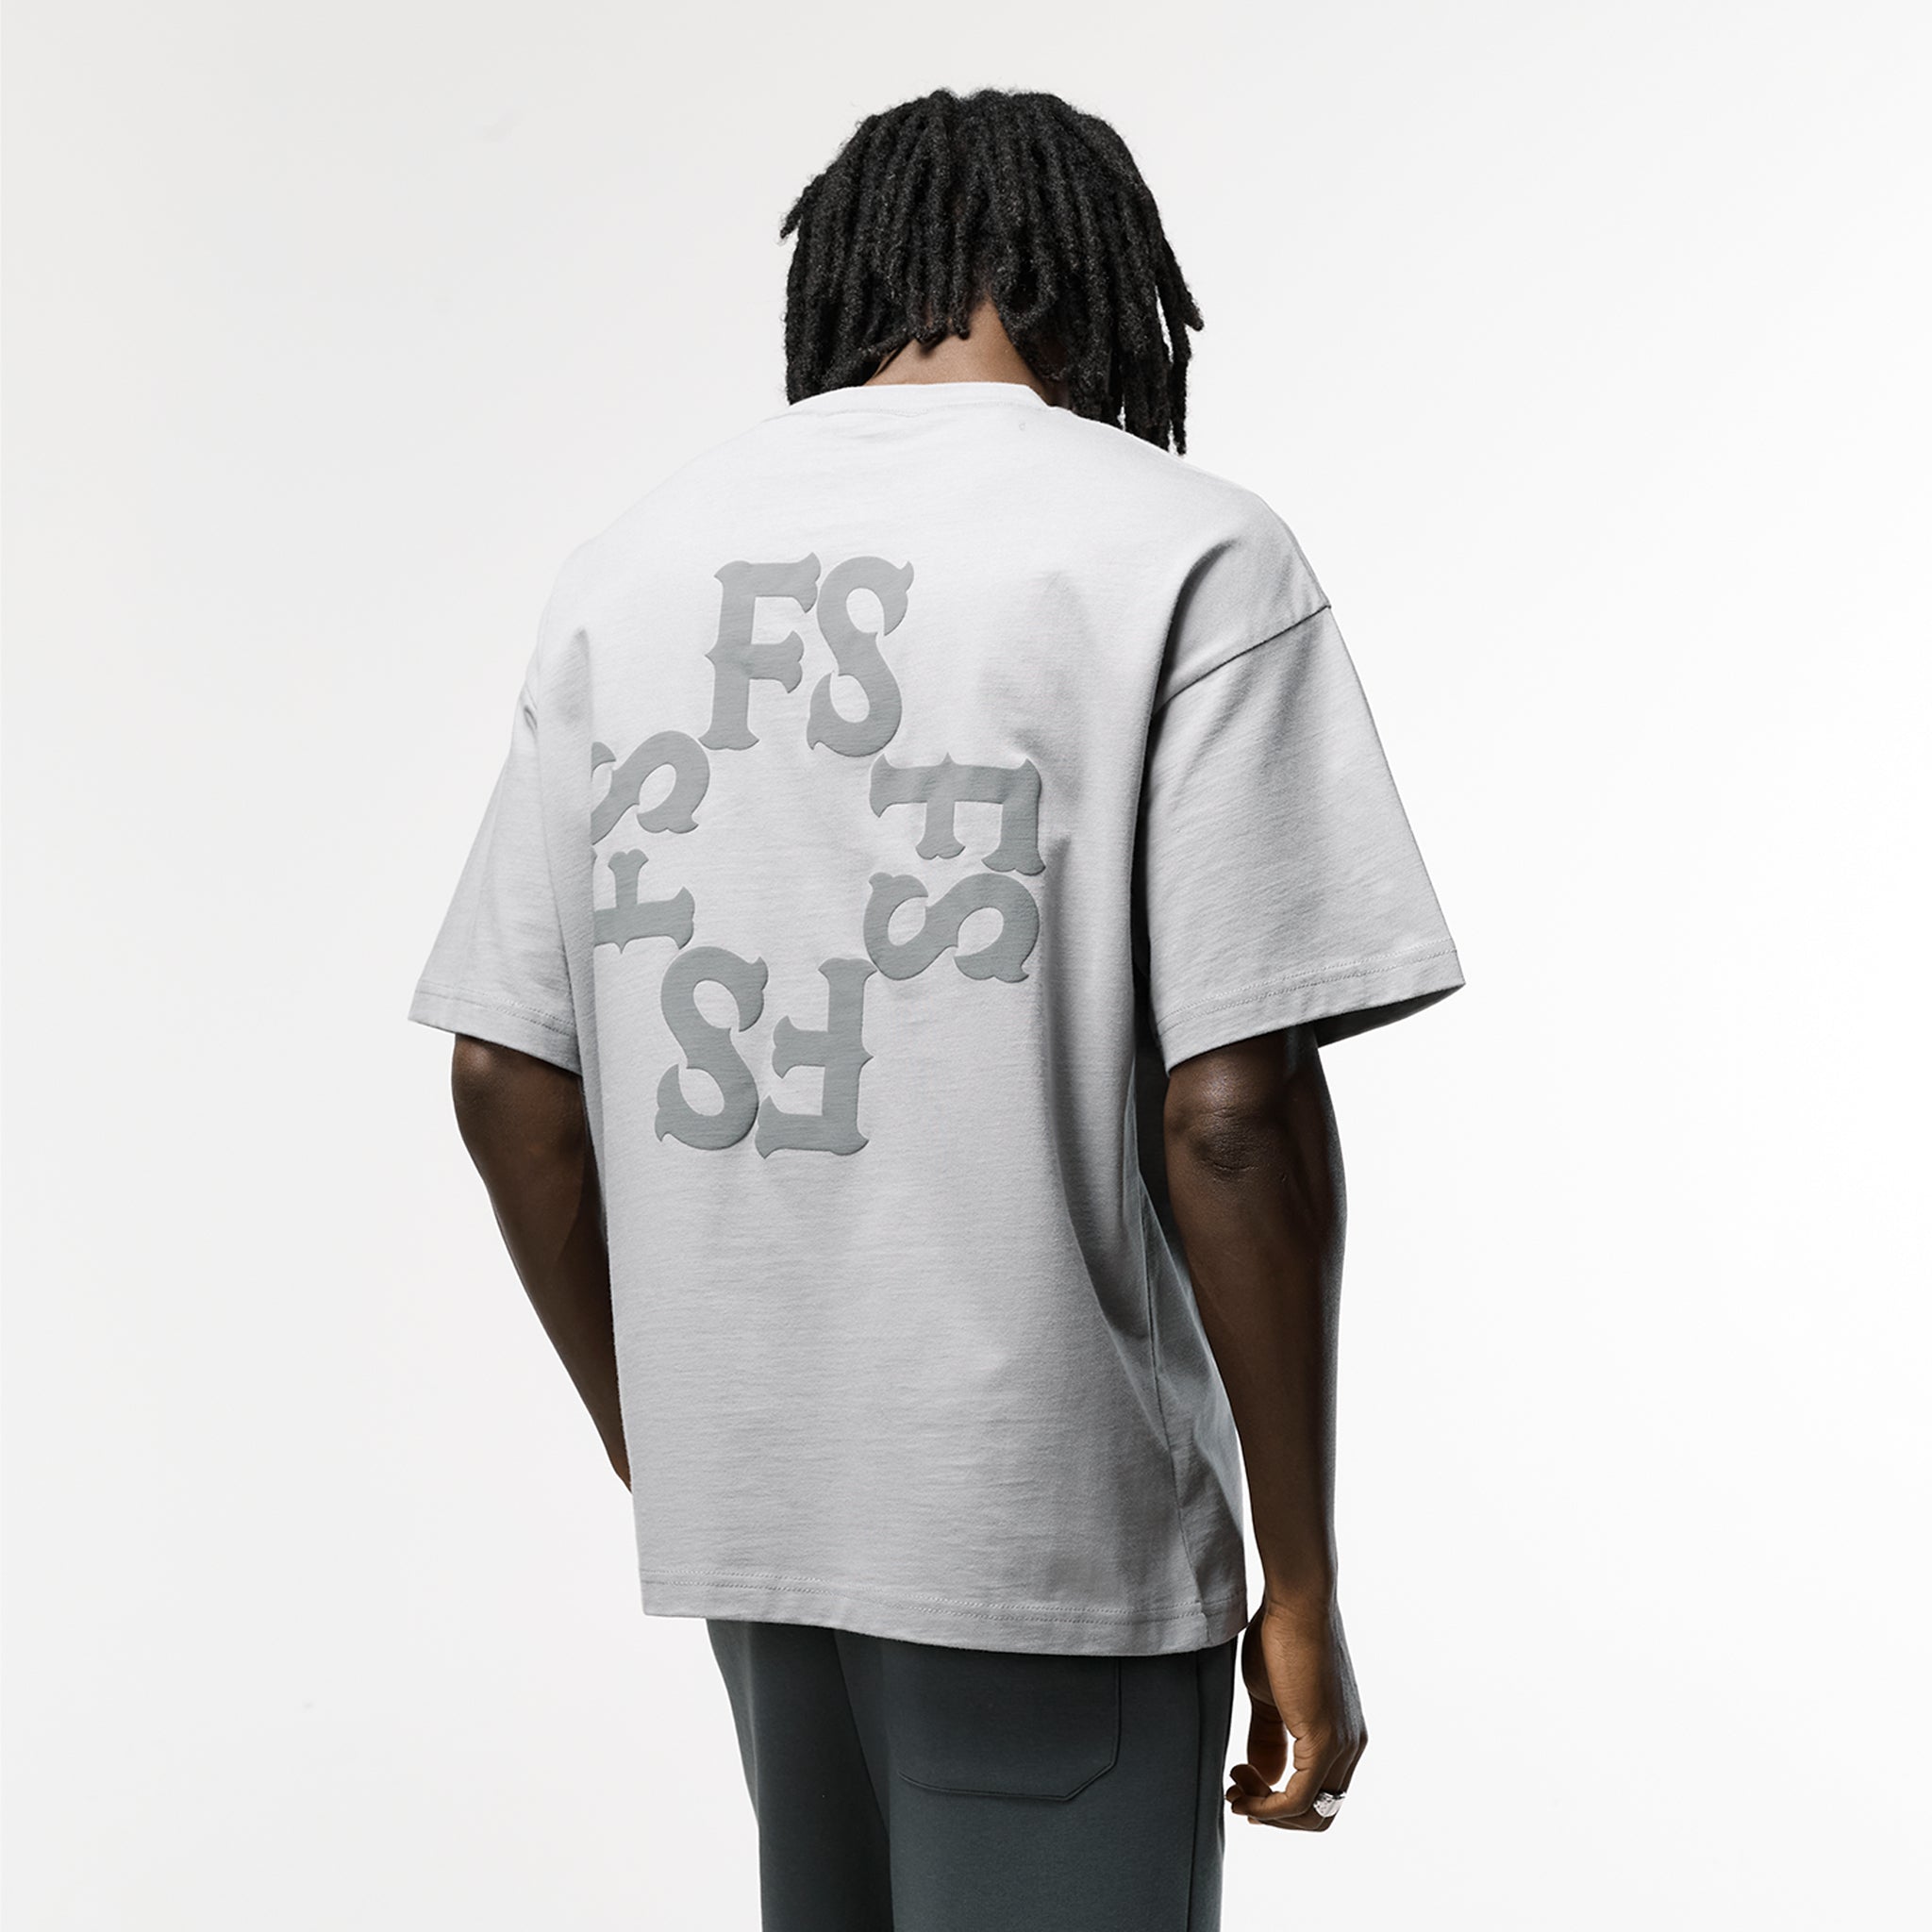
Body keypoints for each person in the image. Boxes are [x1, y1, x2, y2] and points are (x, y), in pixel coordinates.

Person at [408, 85, 1462, 1932]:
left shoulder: (626, 571)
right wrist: (1297, 1579)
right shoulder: (1183, 550)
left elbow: (508, 1076)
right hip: (1049, 1515)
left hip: (764, 1514)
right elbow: (1231, 1117)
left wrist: (663, 1431)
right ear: (1095, 281)